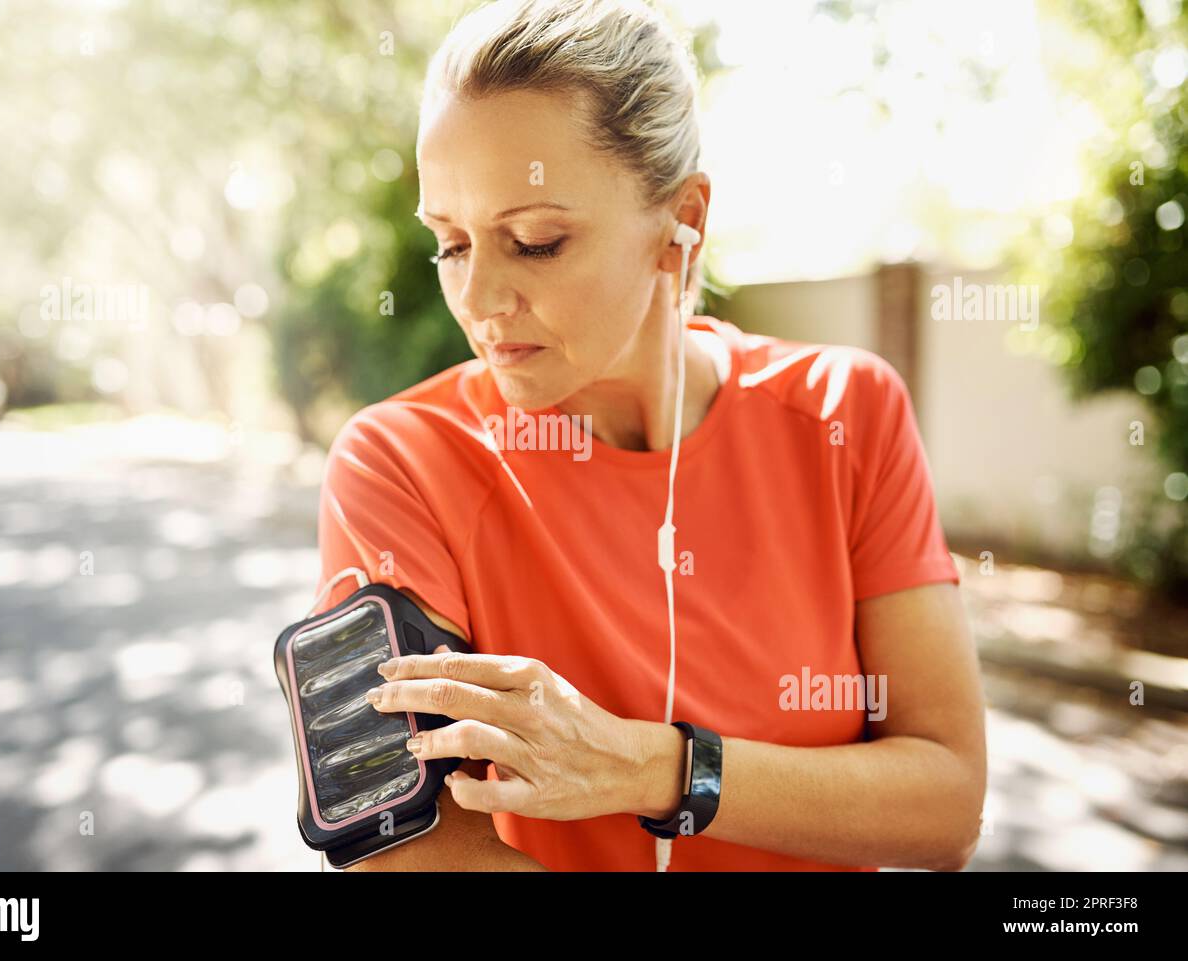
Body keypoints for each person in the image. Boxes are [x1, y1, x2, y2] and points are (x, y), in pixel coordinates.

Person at [313, 0, 987, 872]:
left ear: (683, 225)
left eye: (535, 241)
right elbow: (403, 848)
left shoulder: (845, 413)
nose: (477, 299)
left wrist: (652, 767)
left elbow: (945, 805)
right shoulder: (399, 462)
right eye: (450, 243)